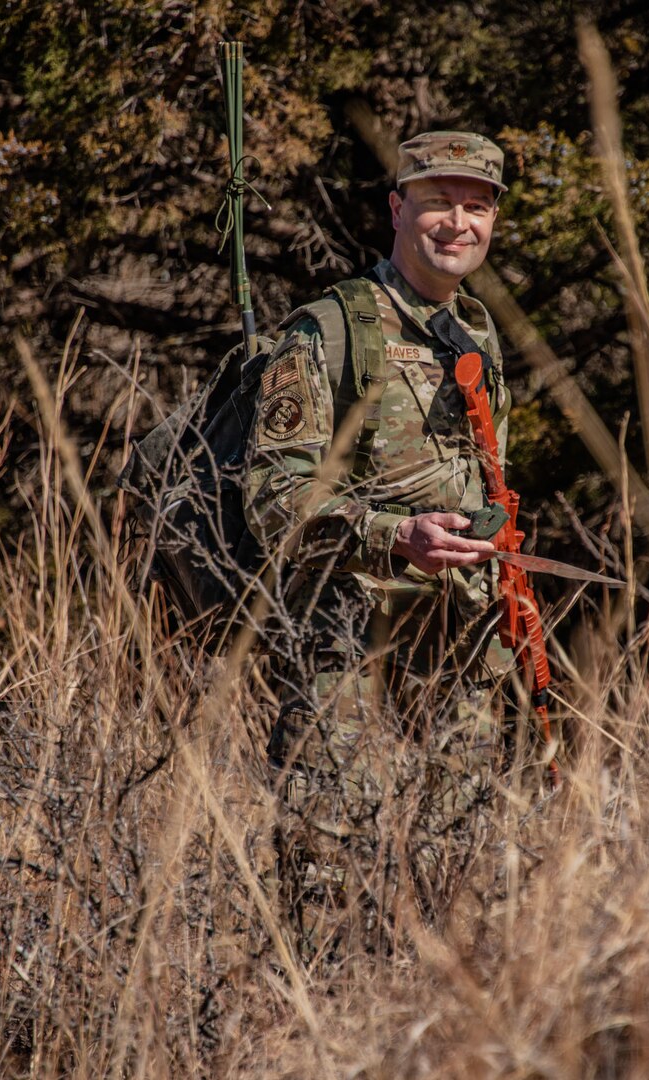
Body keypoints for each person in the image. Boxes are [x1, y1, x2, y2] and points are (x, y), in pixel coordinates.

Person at [242, 130, 523, 951]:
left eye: (475, 208)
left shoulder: (476, 333)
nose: (456, 224)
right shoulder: (328, 329)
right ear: (398, 208)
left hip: (460, 656)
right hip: (345, 654)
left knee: (456, 889)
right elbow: (271, 496)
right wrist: (393, 534)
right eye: (437, 202)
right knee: (329, 893)